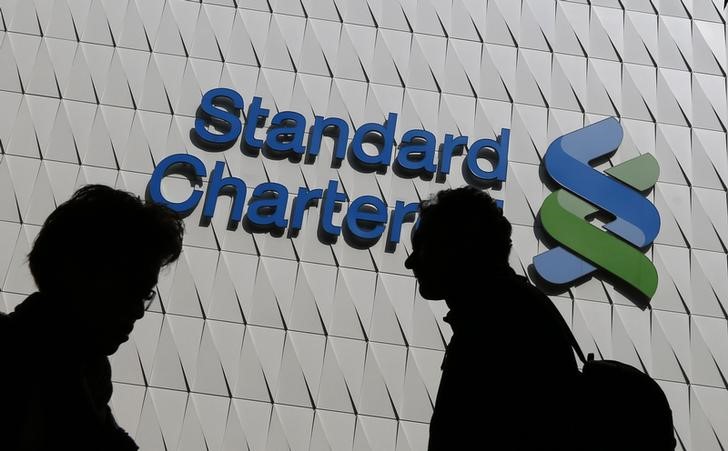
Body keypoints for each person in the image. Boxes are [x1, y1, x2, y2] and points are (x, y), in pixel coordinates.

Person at [0, 184, 184, 450]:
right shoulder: (22, 368)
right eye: (130, 289)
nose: (139, 311)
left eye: (145, 294)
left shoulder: (89, 378)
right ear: (77, 272)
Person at [405, 187, 580, 450]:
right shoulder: (512, 311)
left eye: (423, 247)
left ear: (459, 248)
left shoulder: (498, 328)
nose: (411, 263)